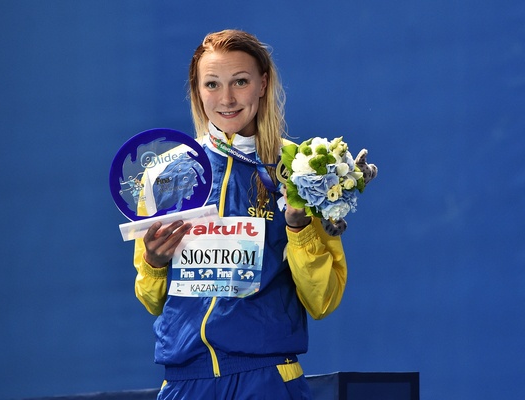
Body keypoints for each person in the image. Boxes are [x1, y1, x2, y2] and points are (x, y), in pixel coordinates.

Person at [132, 29, 372, 400]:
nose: (226, 99)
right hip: (183, 383)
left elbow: (322, 300)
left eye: (239, 82)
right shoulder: (165, 175)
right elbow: (151, 300)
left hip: (266, 380)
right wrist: (153, 261)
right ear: (197, 91)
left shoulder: (302, 170)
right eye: (212, 84)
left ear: (263, 84)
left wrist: (299, 226)